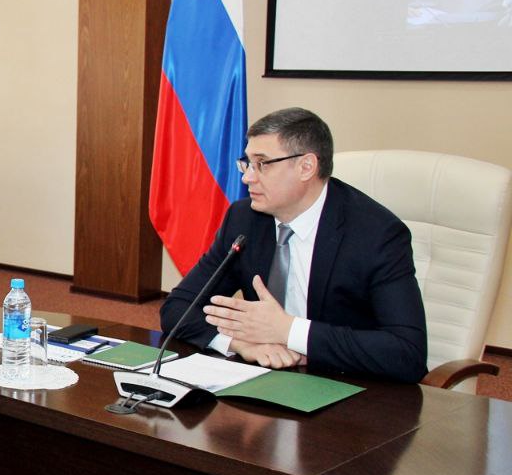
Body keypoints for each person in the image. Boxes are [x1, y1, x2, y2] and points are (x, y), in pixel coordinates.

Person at [160, 107, 428, 383]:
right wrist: (239, 344)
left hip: (346, 384)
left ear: (306, 167)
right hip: (264, 379)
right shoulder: (244, 219)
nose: (247, 177)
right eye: (247, 163)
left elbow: (407, 354)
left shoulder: (376, 235)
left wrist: (288, 331)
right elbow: (177, 308)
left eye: (262, 164)